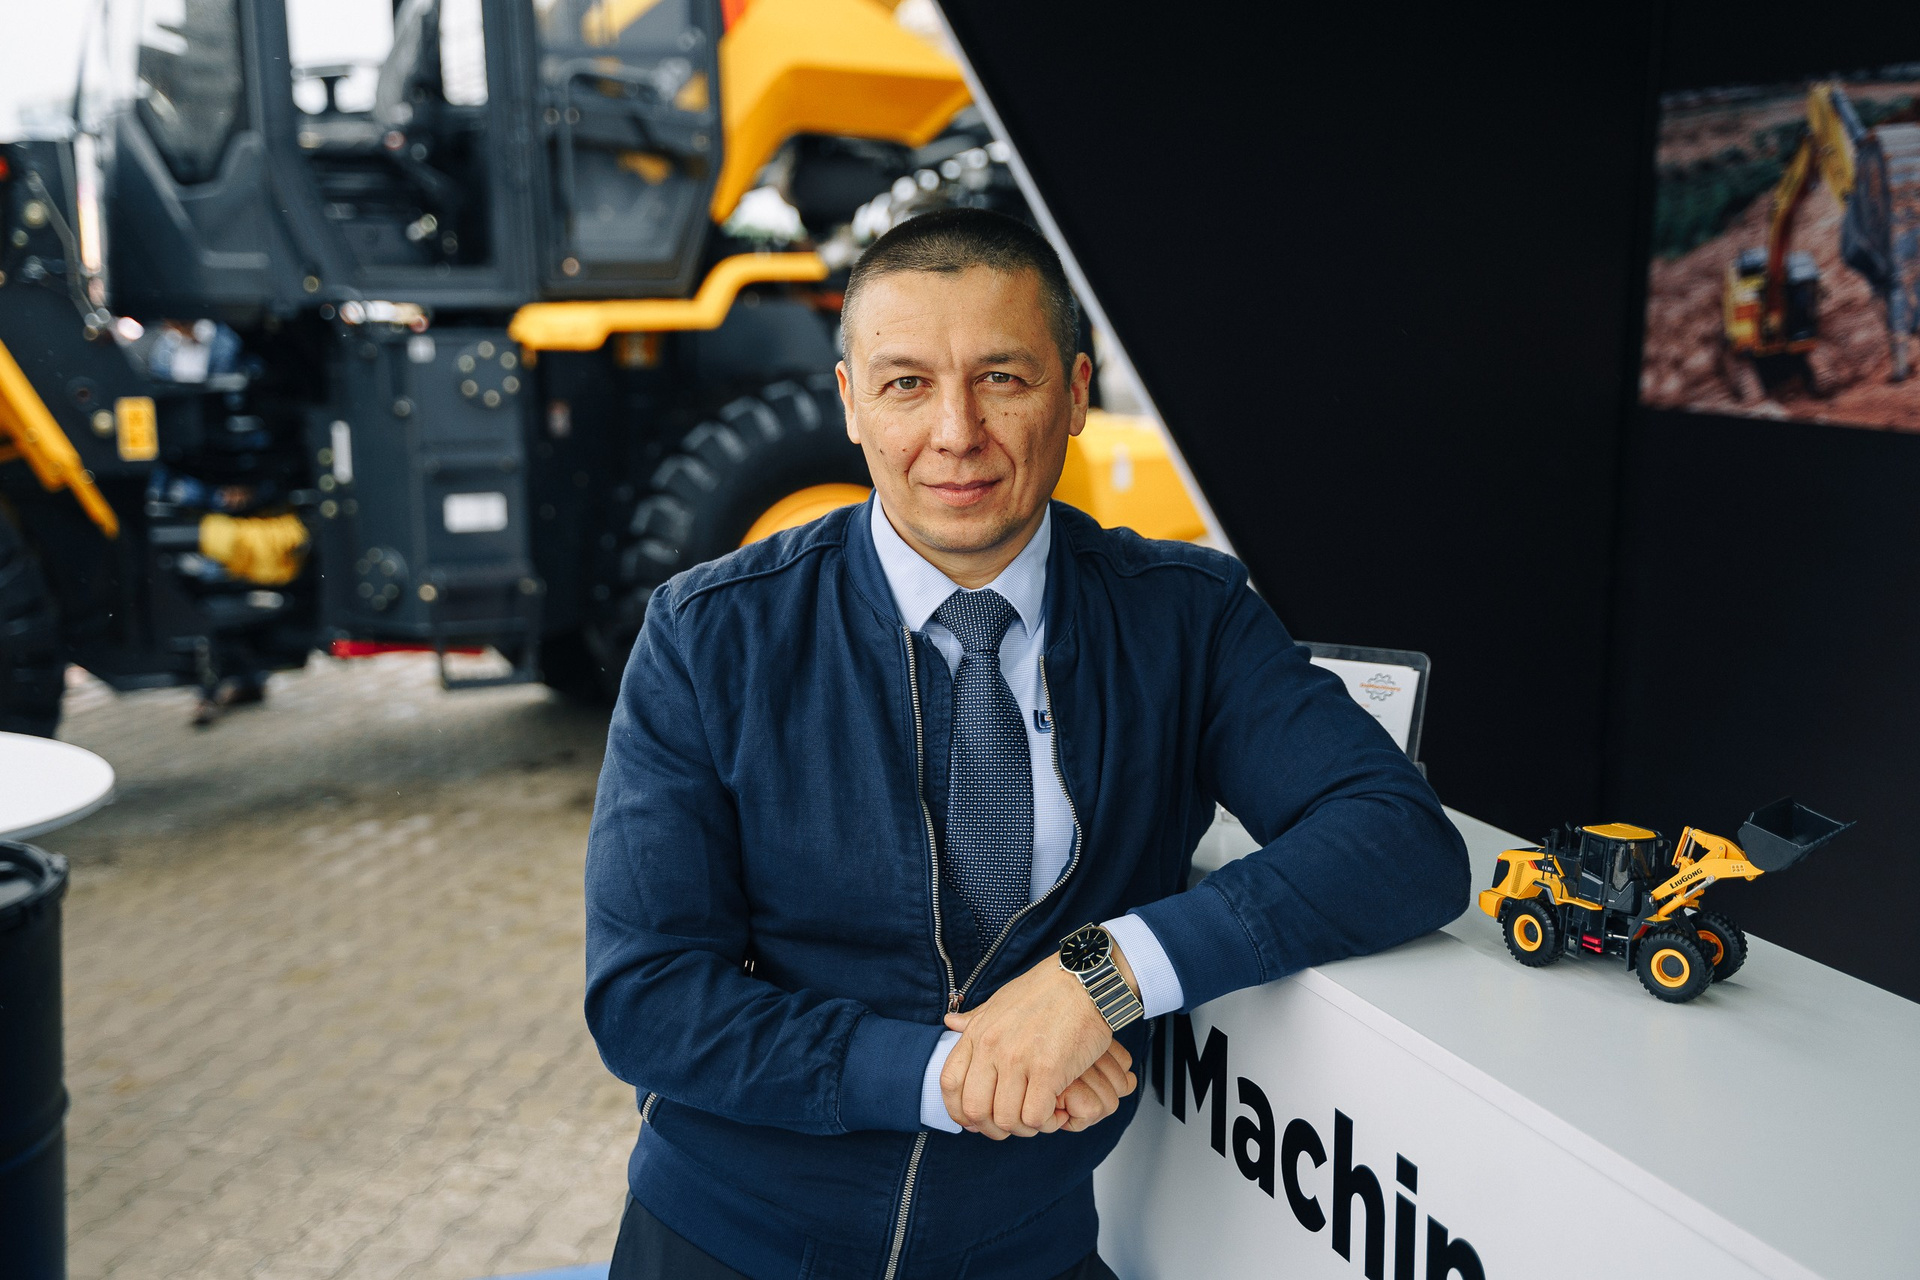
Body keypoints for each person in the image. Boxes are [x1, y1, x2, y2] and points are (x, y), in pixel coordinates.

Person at [584, 207, 1469, 1280]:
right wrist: (945, 1076)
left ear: (1077, 393)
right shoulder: (710, 633)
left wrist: (1105, 975)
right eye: (907, 384)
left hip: (1022, 1252)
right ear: (851, 403)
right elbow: (649, 996)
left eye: (1002, 377)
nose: (956, 431)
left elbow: (1399, 837)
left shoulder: (1187, 618)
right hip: (726, 1245)